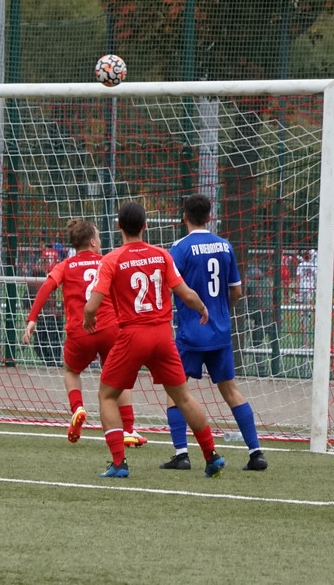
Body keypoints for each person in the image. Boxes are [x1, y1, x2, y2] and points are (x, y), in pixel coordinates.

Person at [83, 201, 223, 479]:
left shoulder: (112, 259)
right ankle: (211, 455)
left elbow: (92, 305)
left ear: (118, 226)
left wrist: (88, 318)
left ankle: (119, 463)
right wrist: (202, 309)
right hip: (162, 335)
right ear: (145, 226)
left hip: (132, 335)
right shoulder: (161, 255)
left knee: (107, 395)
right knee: (183, 396)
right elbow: (186, 293)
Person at [22, 218, 147, 447]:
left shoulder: (65, 265)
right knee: (120, 376)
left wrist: (32, 319)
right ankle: (128, 429)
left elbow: (46, 287)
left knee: (71, 370)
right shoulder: (107, 261)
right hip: (109, 329)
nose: (100, 240)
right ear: (92, 242)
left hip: (80, 332)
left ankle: (77, 407)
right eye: (98, 237)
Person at [166, 194, 267, 471]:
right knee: (230, 390)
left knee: (175, 390)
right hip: (220, 332)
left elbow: (170, 287)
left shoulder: (179, 248)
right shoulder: (225, 246)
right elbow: (236, 291)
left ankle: (182, 454)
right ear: (210, 217)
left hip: (191, 333)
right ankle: (256, 453)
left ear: (184, 217)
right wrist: (222, 312)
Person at [25, 247, 64, 366]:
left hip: (55, 316)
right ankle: (51, 364)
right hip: (44, 316)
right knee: (40, 345)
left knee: (54, 345)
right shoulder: (37, 276)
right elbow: (28, 298)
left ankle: (53, 364)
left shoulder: (60, 274)